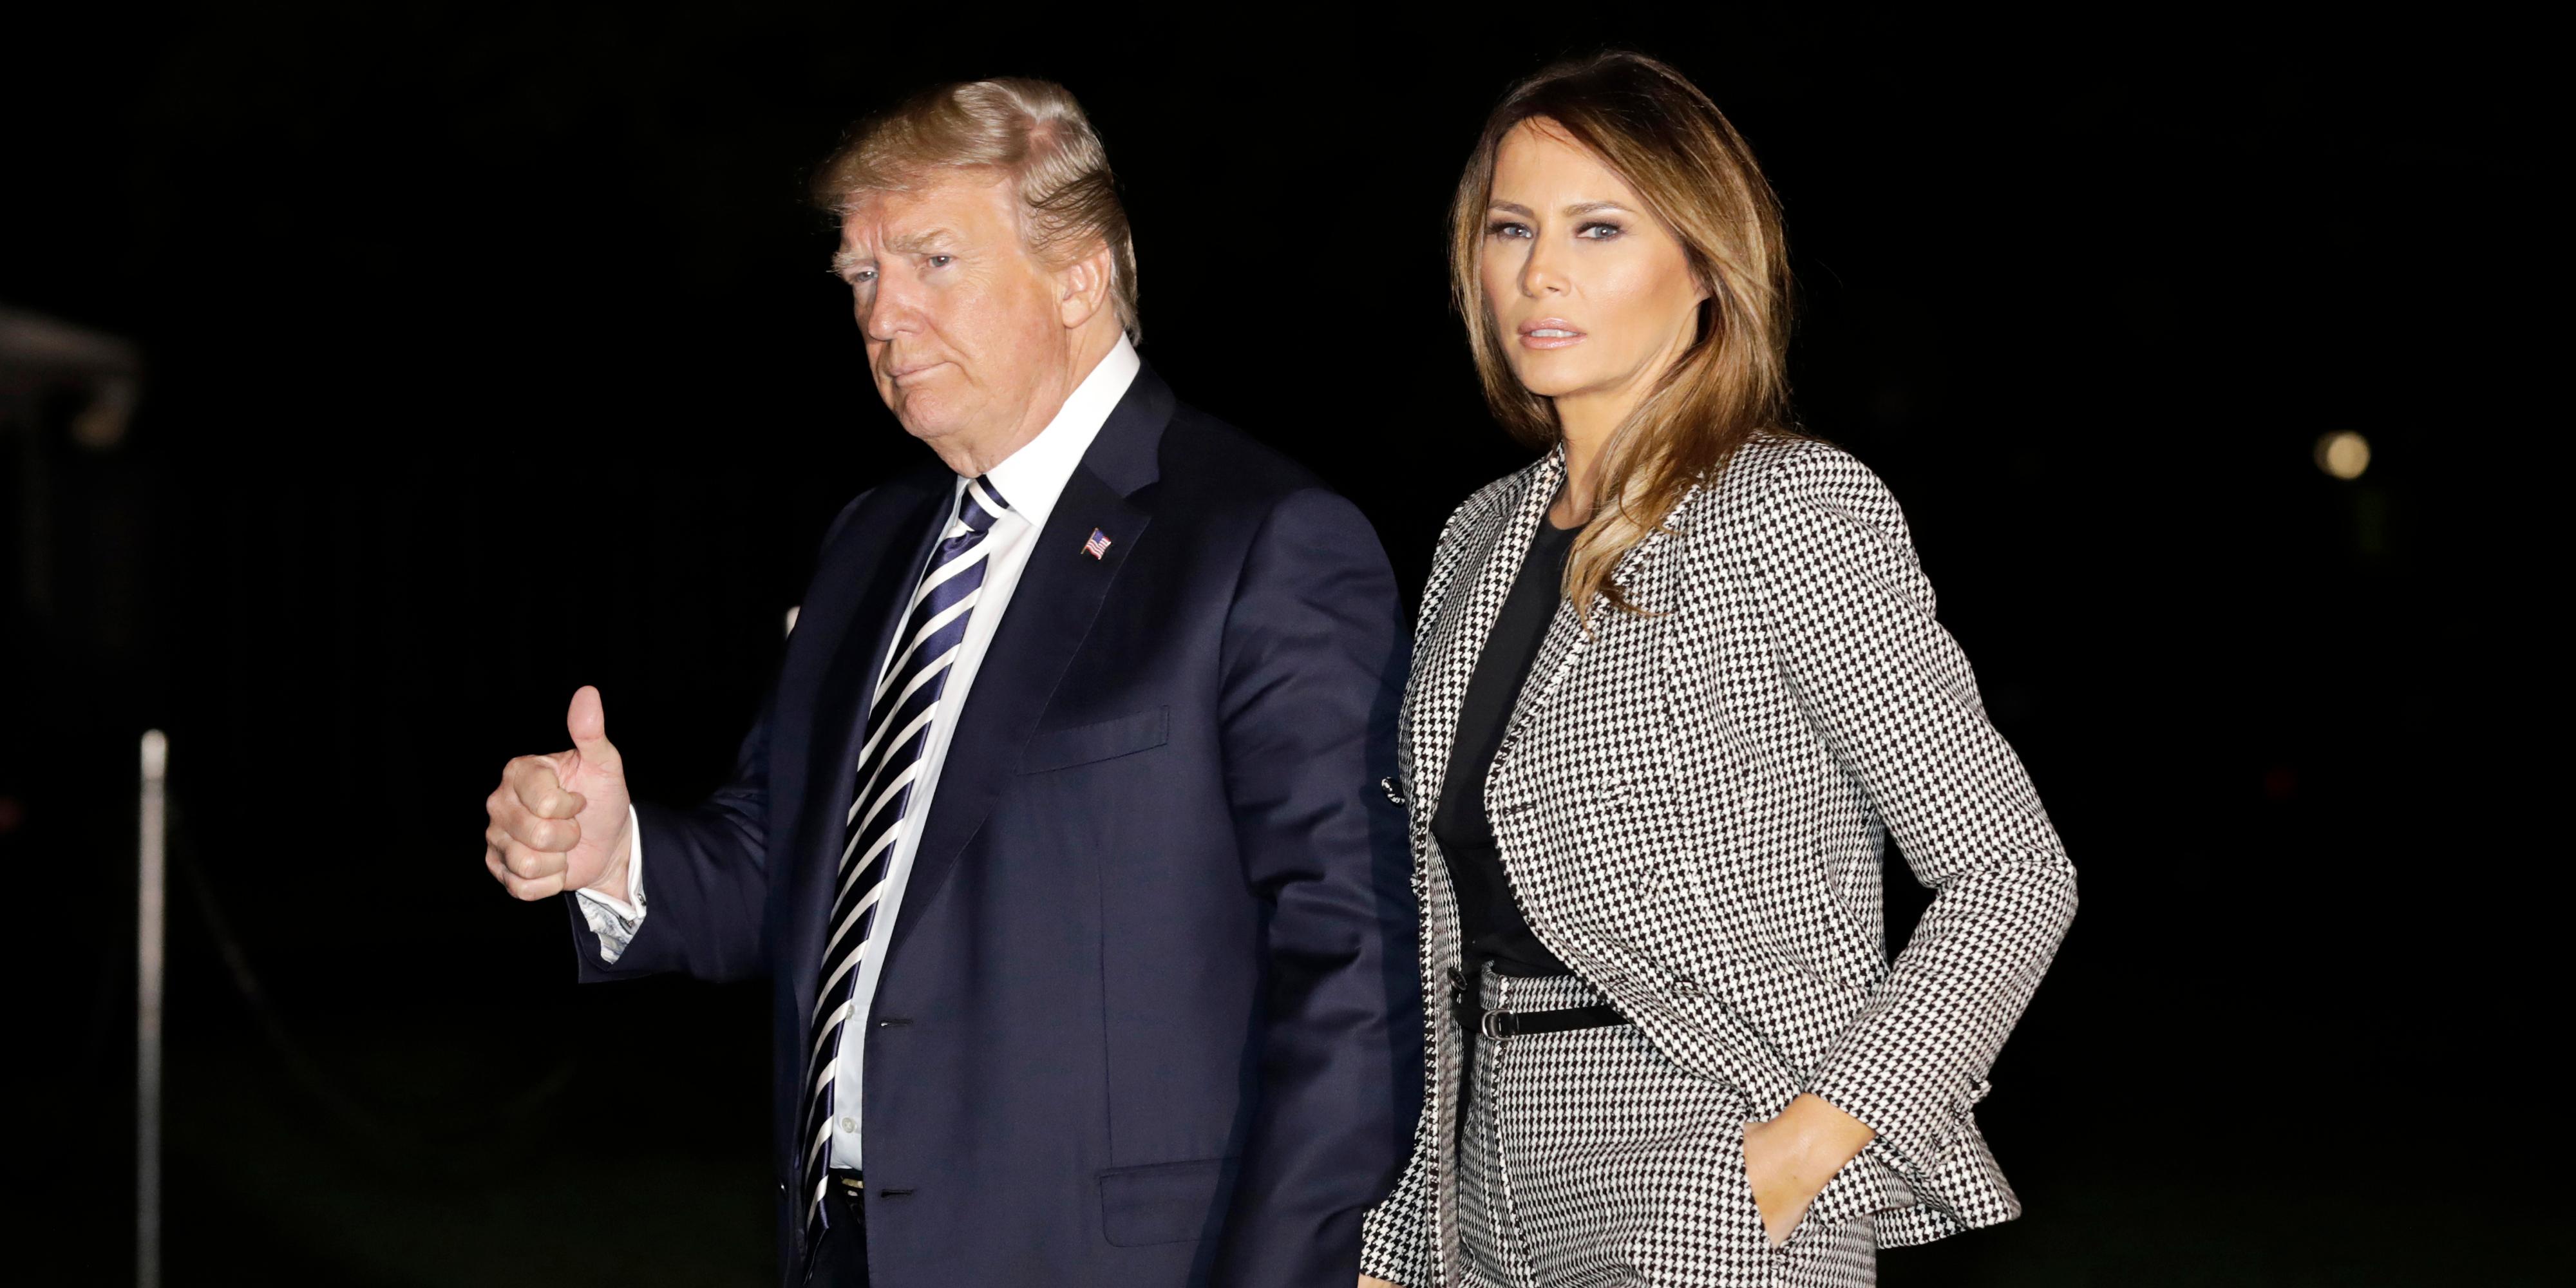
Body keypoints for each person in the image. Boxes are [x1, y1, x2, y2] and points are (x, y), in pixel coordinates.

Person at [479, 78, 1418, 1288]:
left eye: (932, 260)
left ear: (1079, 276)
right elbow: (791, 864)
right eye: (863, 276)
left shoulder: (1256, 541)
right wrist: (616, 859)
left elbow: (1352, 969)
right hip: (846, 1246)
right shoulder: (875, 541)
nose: (885, 315)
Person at [1358, 52, 2078, 1288]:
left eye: (1599, 227)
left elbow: (2011, 874)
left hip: (1704, 1159)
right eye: (1511, 228)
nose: (1540, 270)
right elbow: (1448, 928)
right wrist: (1403, 1237)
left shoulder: (1787, 509)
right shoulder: (1477, 537)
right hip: (1487, 1181)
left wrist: (1803, 1150)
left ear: (1703, 265)